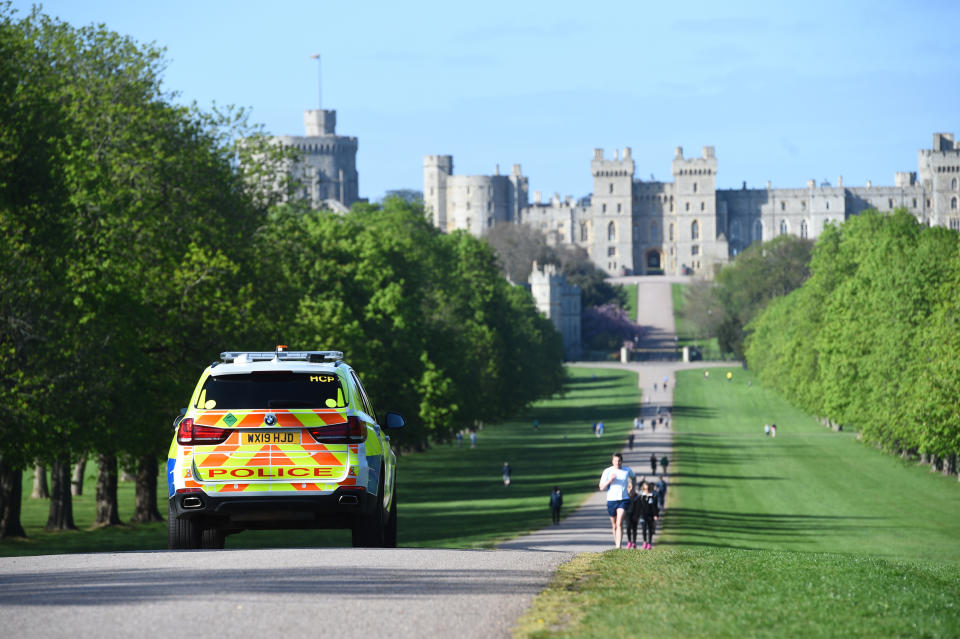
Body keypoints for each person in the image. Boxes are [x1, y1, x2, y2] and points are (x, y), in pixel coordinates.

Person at [599, 453, 635, 549]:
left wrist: (633, 489)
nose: (617, 463)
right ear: (612, 461)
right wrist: (610, 480)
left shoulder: (627, 470)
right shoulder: (607, 471)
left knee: (619, 523)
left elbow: (634, 477)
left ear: (622, 461)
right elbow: (601, 487)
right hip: (611, 500)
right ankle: (616, 544)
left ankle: (619, 546)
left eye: (619, 461)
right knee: (614, 525)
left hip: (623, 499)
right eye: (615, 461)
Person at [638, 481, 659, 549]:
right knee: (644, 529)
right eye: (645, 489)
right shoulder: (641, 496)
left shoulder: (653, 496)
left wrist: (656, 515)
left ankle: (649, 542)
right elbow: (639, 506)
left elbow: (655, 507)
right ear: (643, 488)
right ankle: (645, 541)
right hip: (643, 515)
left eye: (648, 488)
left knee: (650, 529)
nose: (646, 490)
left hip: (651, 515)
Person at [624, 484, 641, 549]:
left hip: (635, 514)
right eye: (629, 487)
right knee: (628, 528)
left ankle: (634, 542)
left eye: (632, 487)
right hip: (627, 515)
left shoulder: (637, 497)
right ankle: (629, 541)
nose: (630, 489)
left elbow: (639, 507)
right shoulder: (625, 496)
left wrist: (638, 515)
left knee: (634, 529)